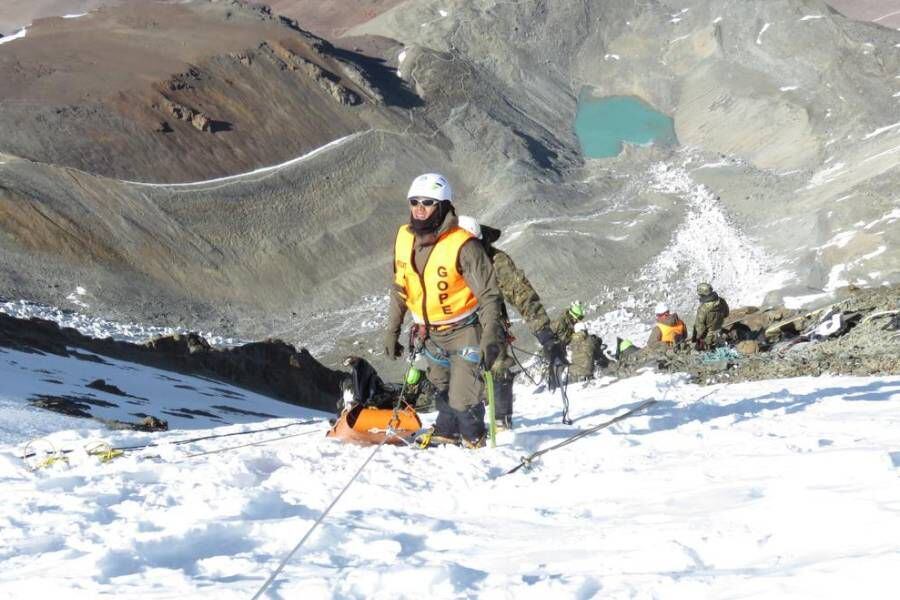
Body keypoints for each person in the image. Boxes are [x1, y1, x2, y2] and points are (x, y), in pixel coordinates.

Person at [383, 173, 503, 448]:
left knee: (463, 396)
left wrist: (491, 337)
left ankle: (475, 437)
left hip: (464, 331)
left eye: (428, 202)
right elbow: (400, 287)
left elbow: (489, 294)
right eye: (414, 201)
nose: (419, 208)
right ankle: (447, 432)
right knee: (441, 386)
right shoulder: (404, 238)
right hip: (429, 334)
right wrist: (392, 330)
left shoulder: (464, 245)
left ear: (443, 205)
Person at [456, 216, 564, 430]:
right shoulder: (442, 257)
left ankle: (501, 420)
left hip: (490, 325)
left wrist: (544, 334)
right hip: (455, 327)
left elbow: (521, 294)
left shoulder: (496, 261)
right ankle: (461, 426)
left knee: (498, 366)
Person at [692, 282, 730, 350]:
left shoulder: (703, 308)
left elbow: (700, 327)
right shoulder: (721, 301)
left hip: (708, 339)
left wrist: (699, 338)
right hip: (719, 332)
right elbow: (726, 313)